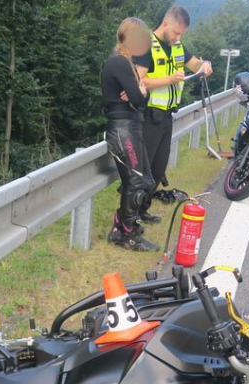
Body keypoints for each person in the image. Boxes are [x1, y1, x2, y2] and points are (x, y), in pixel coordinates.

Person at [133, 6, 213, 223]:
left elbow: (194, 62)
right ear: (165, 23)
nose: (178, 37)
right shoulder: (145, 45)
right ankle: (130, 216)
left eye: (182, 34)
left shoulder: (176, 45)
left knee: (158, 168)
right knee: (143, 170)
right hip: (148, 115)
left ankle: (143, 210)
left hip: (167, 116)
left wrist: (204, 65)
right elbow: (138, 81)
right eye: (176, 32)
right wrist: (169, 80)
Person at [101, 17, 159, 251]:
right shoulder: (119, 63)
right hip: (123, 129)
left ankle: (119, 228)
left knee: (145, 181)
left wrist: (139, 91)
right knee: (137, 183)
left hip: (130, 128)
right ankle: (128, 235)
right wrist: (140, 90)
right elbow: (137, 99)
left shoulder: (127, 63)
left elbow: (138, 99)